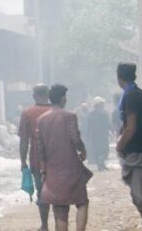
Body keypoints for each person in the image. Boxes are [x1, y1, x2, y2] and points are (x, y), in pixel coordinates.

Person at [37, 84, 92, 231]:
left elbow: (40, 149)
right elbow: (75, 139)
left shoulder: (42, 120)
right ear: (63, 98)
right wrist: (83, 150)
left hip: (53, 170)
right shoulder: (70, 116)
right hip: (72, 168)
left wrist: (43, 170)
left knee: (60, 211)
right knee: (82, 202)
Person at [18, 83, 52, 231]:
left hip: (37, 158)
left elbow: (24, 140)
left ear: (34, 95)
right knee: (58, 191)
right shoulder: (56, 110)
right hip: (56, 157)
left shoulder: (27, 113)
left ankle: (44, 225)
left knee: (42, 191)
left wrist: (22, 161)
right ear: (48, 94)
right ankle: (60, 223)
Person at [115, 62, 142, 216]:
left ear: (119, 77)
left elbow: (130, 127)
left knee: (138, 196)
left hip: (136, 151)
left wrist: (119, 146)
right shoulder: (136, 93)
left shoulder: (131, 96)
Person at [86, 96, 111, 171]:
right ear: (99, 104)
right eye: (102, 103)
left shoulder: (91, 114)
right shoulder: (103, 113)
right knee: (102, 150)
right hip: (101, 135)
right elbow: (108, 124)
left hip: (97, 135)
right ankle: (100, 164)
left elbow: (88, 126)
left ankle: (101, 164)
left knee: (100, 150)